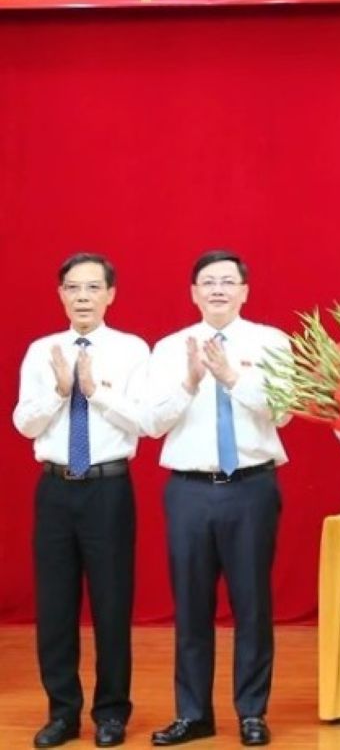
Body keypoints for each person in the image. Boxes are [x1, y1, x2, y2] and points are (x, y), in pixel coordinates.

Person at [144, 250, 289, 748]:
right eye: (208, 282)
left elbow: (283, 410)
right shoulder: (169, 349)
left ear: (245, 291)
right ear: (194, 292)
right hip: (189, 491)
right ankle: (192, 714)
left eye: (228, 281)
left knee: (253, 606)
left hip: (251, 487)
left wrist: (232, 377)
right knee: (190, 607)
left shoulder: (271, 342)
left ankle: (251, 712)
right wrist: (189, 382)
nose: (219, 289)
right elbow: (152, 423)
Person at [13, 253, 149, 750]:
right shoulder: (41, 351)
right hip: (54, 489)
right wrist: (59, 391)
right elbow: (24, 424)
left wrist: (94, 392)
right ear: (61, 295)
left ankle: (111, 713)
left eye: (93, 288)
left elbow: (144, 421)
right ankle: (62, 713)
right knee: (54, 608)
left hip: (107, 488)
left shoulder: (132, 350)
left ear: (111, 294)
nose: (83, 297)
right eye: (73, 288)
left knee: (112, 605)